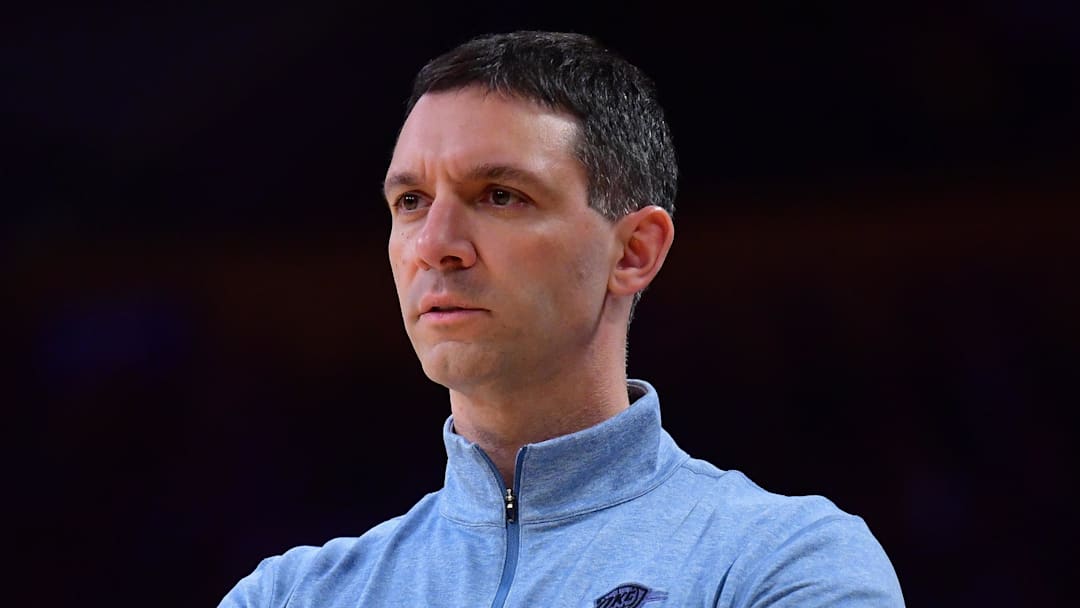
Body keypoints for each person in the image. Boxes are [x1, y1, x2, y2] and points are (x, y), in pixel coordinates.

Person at [219, 30, 905, 607]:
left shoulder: (782, 564)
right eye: (411, 201)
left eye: (500, 195)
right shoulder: (289, 595)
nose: (434, 244)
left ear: (634, 251)